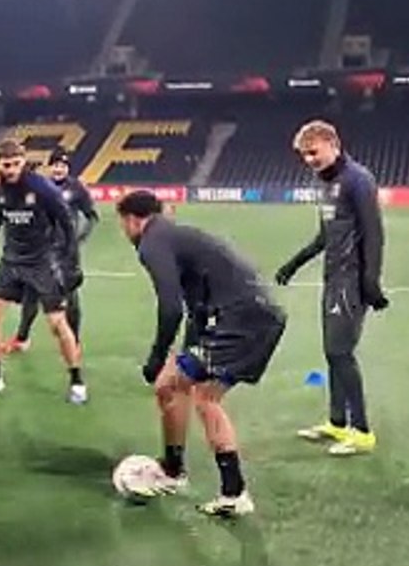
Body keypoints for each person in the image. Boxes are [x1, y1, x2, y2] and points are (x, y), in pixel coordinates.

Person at [117, 190, 286, 517]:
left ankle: (232, 491)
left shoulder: (152, 242)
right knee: (171, 384)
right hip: (255, 316)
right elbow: (196, 305)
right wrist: (183, 352)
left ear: (132, 220)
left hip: (242, 319)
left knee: (204, 395)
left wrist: (156, 355)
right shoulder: (176, 235)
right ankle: (173, 469)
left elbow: (170, 308)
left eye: (123, 224)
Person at [276, 120, 388, 456]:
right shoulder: (325, 182)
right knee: (332, 352)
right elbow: (326, 235)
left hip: (351, 280)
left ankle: (362, 431)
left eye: (313, 152)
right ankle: (337, 423)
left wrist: (370, 281)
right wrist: (294, 263)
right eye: (304, 155)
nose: (309, 160)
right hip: (332, 277)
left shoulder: (358, 179)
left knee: (341, 353)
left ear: (331, 144)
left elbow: (374, 232)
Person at [0, 140, 86, 404]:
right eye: (6, 164)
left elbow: (66, 224)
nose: (11, 170)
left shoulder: (42, 189)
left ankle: (77, 381)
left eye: (16, 164)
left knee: (57, 324)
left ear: (23, 161)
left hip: (42, 261)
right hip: (12, 261)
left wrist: (71, 263)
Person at [5, 149, 98, 354]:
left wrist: (79, 238)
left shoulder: (76, 188)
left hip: (66, 251)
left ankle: (75, 341)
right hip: (41, 249)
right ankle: (22, 339)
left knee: (70, 295)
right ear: (50, 167)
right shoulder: (40, 187)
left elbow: (91, 216)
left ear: (68, 168)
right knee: (31, 293)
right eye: (55, 165)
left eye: (63, 166)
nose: (58, 169)